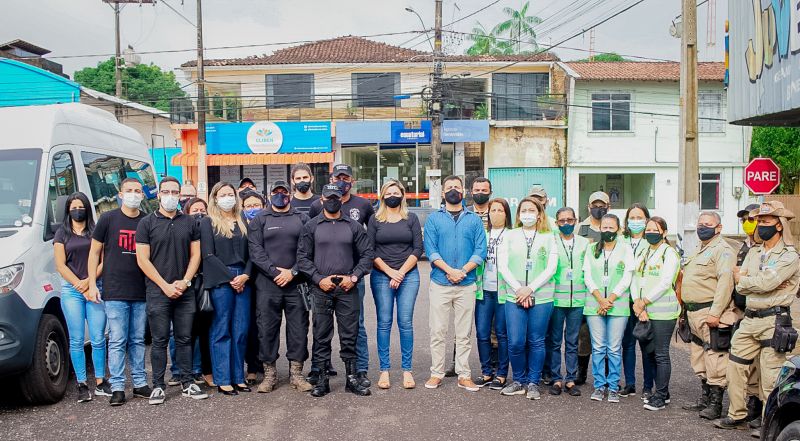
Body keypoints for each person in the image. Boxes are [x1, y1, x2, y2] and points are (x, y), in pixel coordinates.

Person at [716, 201, 800, 432]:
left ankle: (767, 424)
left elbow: (766, 282)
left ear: (779, 225)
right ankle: (737, 414)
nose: (760, 225)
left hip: (774, 321)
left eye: (765, 221)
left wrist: (748, 280)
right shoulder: (754, 251)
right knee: (734, 366)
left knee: (770, 376)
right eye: (759, 221)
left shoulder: (790, 255)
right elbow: (743, 286)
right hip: (749, 319)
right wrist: (751, 282)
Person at [297, 184, 374, 397]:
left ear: (342, 200)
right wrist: (318, 279)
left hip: (348, 287)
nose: (332, 200)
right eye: (328, 197)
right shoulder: (311, 226)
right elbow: (302, 258)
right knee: (321, 334)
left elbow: (367, 255)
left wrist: (354, 277)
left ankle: (351, 377)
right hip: (321, 288)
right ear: (321, 200)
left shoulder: (354, 226)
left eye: (336, 197)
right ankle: (322, 378)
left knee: (350, 334)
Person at [136, 176, 206, 404]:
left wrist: (185, 282)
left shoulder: (189, 222)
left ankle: (188, 382)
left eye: (174, 192)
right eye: (165, 192)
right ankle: (158, 385)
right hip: (158, 291)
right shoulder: (146, 223)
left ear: (179, 196)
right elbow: (142, 259)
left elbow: (196, 254)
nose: (170, 196)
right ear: (158, 195)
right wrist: (165, 286)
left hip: (184, 290)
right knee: (159, 340)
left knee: (185, 338)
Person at [88, 178, 151, 406]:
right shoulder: (107, 219)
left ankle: (140, 383)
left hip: (141, 289)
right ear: (120, 193)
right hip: (114, 289)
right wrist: (93, 283)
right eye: (129, 190)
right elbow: (94, 253)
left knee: (137, 339)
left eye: (137, 191)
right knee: (117, 340)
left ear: (143, 195)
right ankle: (117, 387)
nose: (133, 194)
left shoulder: (147, 220)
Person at [248, 181, 314, 394]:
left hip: (297, 284)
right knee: (267, 330)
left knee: (298, 330)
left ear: (289, 193)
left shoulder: (302, 218)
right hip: (268, 284)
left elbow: (307, 250)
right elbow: (255, 250)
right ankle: (269, 375)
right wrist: (275, 273)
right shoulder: (260, 219)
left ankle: (296, 374)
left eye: (283, 192)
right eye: (276, 192)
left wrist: (292, 272)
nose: (280, 195)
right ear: (270, 195)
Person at [423, 175, 487, 392]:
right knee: (438, 331)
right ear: (443, 193)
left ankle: (464, 374)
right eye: (448, 187)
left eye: (456, 187)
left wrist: (463, 271)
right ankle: (436, 373)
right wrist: (450, 271)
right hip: (441, 282)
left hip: (466, 283)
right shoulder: (434, 219)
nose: (453, 190)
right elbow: (431, 250)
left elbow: (481, 250)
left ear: (463, 192)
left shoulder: (474, 220)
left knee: (464, 333)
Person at [497, 197, 558, 400]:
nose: (527, 214)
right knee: (515, 341)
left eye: (532, 210)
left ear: (539, 214)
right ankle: (519, 380)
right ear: (518, 214)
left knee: (536, 341)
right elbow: (502, 265)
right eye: (523, 210)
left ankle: (533, 382)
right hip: (514, 296)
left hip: (541, 297)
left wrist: (530, 289)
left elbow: (551, 267)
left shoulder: (549, 237)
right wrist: (519, 289)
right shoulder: (510, 235)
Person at [54, 191, 110, 403]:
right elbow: (60, 265)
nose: (77, 210)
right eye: (73, 206)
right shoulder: (62, 233)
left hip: (95, 287)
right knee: (76, 339)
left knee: (97, 338)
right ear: (68, 209)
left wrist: (89, 282)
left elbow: (104, 260)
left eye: (81, 206)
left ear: (87, 207)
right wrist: (79, 284)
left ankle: (100, 381)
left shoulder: (96, 231)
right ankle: (81, 384)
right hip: (71, 290)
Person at [368, 180, 423, 390]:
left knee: (405, 322)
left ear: (402, 194)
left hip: (408, 275)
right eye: (388, 192)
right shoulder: (375, 219)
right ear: (382, 196)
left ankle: (407, 370)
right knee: (384, 322)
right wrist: (390, 272)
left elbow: (418, 249)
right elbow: (370, 251)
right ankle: (384, 371)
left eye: (396, 192)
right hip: (382, 275)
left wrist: (400, 273)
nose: (392, 195)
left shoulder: (411, 218)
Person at [680, 211, 736, 419]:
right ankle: (704, 398)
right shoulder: (699, 249)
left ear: (718, 228)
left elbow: (725, 283)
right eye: (700, 223)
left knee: (715, 357)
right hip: (694, 312)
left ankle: (716, 404)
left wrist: (716, 312)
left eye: (708, 224)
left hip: (710, 311)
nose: (702, 227)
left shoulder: (722, 250)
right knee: (699, 357)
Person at [200, 182, 253, 396]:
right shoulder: (208, 222)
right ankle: (223, 378)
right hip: (221, 280)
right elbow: (208, 255)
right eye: (223, 194)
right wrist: (231, 278)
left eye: (230, 194)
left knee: (240, 329)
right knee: (221, 329)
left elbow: (252, 254)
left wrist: (245, 275)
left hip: (243, 278)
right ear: (214, 198)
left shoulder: (243, 221)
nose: (227, 198)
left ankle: (238, 376)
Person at [582, 214, 634, 403]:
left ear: (618, 229)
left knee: (613, 348)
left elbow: (627, 278)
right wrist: (600, 299)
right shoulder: (591, 249)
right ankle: (599, 386)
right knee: (598, 347)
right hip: (595, 304)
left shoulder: (626, 250)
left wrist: (609, 299)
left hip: (617, 305)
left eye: (611, 228)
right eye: (604, 227)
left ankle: (613, 386)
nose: (607, 231)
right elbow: (587, 276)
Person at [631, 217, 681, 411]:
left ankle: (660, 396)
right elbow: (635, 278)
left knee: (661, 354)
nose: (650, 232)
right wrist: (637, 302)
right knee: (649, 353)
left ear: (664, 233)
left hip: (663, 313)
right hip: (644, 311)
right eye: (648, 229)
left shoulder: (669, 254)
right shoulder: (643, 252)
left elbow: (665, 282)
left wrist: (644, 302)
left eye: (655, 229)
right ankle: (662, 392)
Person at [168, 197, 213, 388]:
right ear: (187, 212)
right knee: (177, 331)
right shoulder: (180, 230)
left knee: (197, 330)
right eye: (195, 210)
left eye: (202, 209)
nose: (199, 213)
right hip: (182, 283)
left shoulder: (210, 229)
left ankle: (196, 369)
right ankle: (177, 370)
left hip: (202, 284)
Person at [548, 207, 589, 397]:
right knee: (555, 341)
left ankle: (570, 379)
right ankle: (556, 378)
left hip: (578, 300)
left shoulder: (584, 243)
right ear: (556, 223)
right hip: (556, 299)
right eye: (562, 221)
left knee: (572, 341)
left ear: (575, 221)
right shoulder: (551, 241)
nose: (566, 224)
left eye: (570, 220)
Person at [473, 198, 512, 391]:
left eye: (500, 210)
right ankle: (487, 371)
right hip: (484, 290)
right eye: (493, 210)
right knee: (482, 333)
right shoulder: (482, 234)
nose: (496, 213)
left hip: (504, 292)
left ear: (507, 214)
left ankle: (502, 374)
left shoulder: (512, 235)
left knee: (502, 334)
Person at [619, 203, 655, 398]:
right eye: (631, 218)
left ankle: (648, 385)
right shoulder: (620, 240)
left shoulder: (651, 242)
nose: (635, 221)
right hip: (624, 300)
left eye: (639, 217)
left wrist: (643, 303)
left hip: (644, 302)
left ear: (647, 219)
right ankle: (630, 383)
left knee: (646, 345)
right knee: (627, 344)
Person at [734, 203, 765, 428]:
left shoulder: (776, 251)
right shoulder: (745, 248)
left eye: (753, 219)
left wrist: (743, 281)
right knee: (739, 363)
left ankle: (760, 409)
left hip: (767, 314)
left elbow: (764, 283)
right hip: (742, 311)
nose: (748, 223)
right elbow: (735, 282)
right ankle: (742, 410)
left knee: (764, 366)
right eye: (745, 218)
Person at [575, 190, 610, 385]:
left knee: (608, 334)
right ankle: (582, 372)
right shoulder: (581, 228)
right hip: (586, 289)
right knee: (584, 334)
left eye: (602, 205)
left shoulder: (615, 228)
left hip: (609, 291)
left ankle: (606, 373)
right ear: (589, 207)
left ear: (608, 207)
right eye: (595, 205)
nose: (598, 209)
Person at [239, 188, 266, 384]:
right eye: (248, 206)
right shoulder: (239, 226)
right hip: (245, 280)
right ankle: (250, 367)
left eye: (256, 205)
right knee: (246, 325)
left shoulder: (268, 223)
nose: (252, 209)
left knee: (262, 325)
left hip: (265, 279)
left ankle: (261, 363)